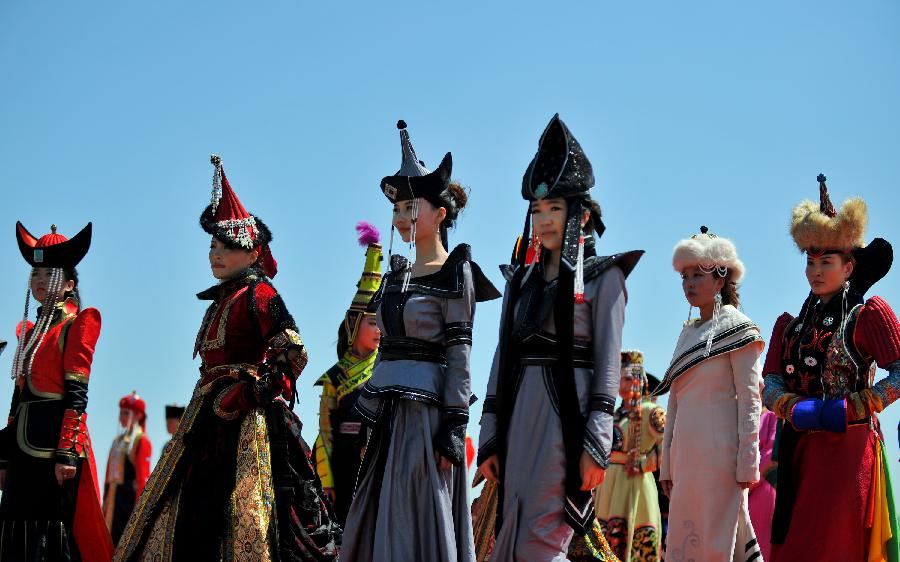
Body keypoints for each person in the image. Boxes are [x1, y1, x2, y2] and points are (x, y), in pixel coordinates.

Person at [113, 155, 339, 562]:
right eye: (213, 246)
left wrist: (254, 392)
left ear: (253, 254)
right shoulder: (222, 298)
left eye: (227, 246)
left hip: (246, 422)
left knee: (243, 513)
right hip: (204, 418)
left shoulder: (260, 295)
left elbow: (293, 351)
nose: (215, 254)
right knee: (183, 511)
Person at [477, 114, 643, 561]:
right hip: (516, 418)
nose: (544, 220)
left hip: (565, 423)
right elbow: (501, 359)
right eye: (537, 211)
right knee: (508, 537)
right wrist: (489, 433)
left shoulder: (605, 279)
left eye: (554, 209)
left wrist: (596, 443)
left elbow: (609, 366)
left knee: (542, 541)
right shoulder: (519, 280)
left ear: (580, 214)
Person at [340, 120, 499, 562]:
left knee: (416, 516)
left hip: (427, 419)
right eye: (396, 209)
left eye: (411, 207)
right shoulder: (395, 277)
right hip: (390, 414)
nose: (401, 217)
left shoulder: (456, 272)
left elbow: (460, 355)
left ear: (439, 214)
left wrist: (453, 429)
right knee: (379, 516)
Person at [762, 174, 900, 562]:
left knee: (838, 544)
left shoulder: (867, 317)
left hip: (849, 450)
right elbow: (769, 382)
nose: (815, 270)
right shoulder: (789, 326)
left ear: (849, 267)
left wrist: (858, 405)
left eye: (826, 262)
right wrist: (791, 407)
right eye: (810, 261)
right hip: (801, 449)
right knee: (799, 544)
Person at [0, 222, 113, 562]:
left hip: (52, 449)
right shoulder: (30, 331)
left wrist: (66, 453)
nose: (38, 280)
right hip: (22, 449)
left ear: (68, 284)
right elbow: (18, 398)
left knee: (50, 537)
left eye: (49, 274)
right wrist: (4, 455)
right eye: (35, 273)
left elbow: (78, 395)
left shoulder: (77, 325)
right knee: (12, 528)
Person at [658, 226, 764, 562]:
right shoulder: (686, 334)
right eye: (684, 276)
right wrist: (666, 465)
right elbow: (674, 402)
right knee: (682, 544)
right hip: (686, 459)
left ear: (720, 280)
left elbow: (751, 400)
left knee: (719, 543)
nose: (688, 284)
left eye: (697, 275)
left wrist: (749, 462)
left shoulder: (738, 327)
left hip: (721, 458)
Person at [313, 221, 383, 525]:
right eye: (371, 322)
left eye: (382, 322)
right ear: (354, 327)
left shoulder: (387, 370)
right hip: (341, 470)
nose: (379, 329)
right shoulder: (335, 378)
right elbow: (325, 433)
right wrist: (325, 480)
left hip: (377, 466)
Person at [594, 350, 665, 562]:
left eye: (626, 378)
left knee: (634, 543)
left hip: (635, 484)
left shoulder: (652, 411)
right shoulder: (612, 415)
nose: (621, 384)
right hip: (607, 486)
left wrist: (645, 463)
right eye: (618, 378)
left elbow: (672, 443)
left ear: (637, 379)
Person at [104, 391, 152, 546]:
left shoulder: (141, 441)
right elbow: (108, 475)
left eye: (126, 413)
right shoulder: (116, 441)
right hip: (112, 502)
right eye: (121, 413)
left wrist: (139, 511)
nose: (121, 417)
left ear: (138, 416)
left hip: (128, 503)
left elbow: (142, 478)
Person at [747, 407, 777, 560]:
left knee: (761, 547)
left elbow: (771, 456)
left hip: (762, 491)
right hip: (739, 494)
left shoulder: (772, 418)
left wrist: (745, 481)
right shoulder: (734, 421)